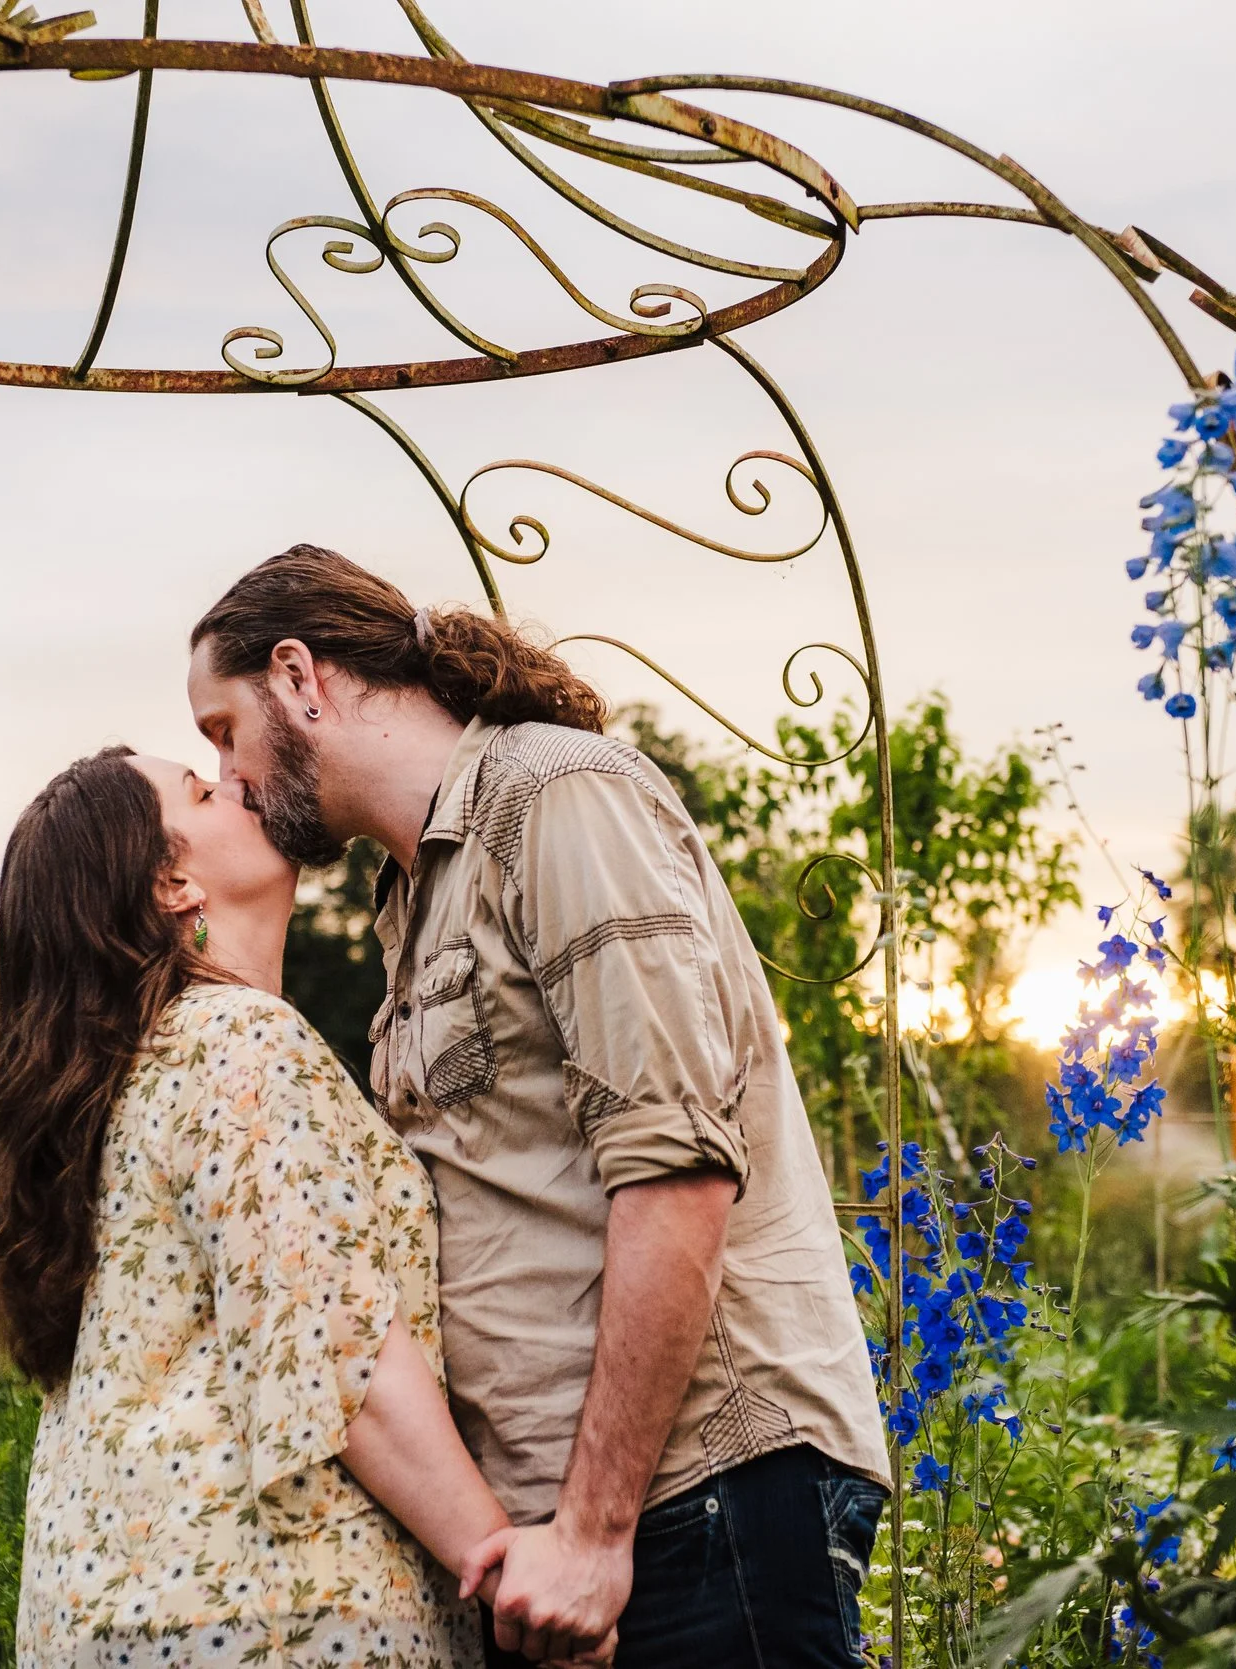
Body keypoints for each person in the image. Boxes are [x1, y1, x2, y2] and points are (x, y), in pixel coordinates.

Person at [187, 547, 891, 1669]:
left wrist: (596, 1529)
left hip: (694, 1497)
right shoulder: (415, 887)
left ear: (297, 676)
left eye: (223, 729)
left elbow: (675, 1167)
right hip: (563, 1535)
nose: (223, 773)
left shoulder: (558, 796)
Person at [0, 745, 552, 1669]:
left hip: (108, 1611)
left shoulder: (133, 1072)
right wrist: (502, 1560)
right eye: (203, 793)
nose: (236, 780)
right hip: (276, 1611)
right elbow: (336, 1348)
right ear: (170, 884)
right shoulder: (238, 1043)